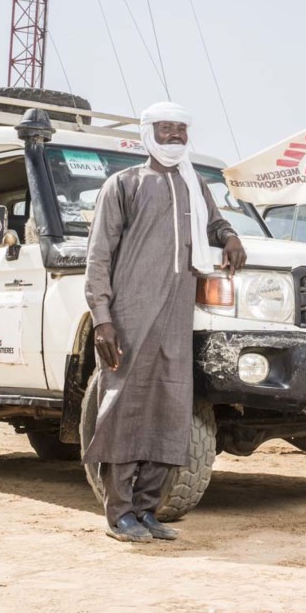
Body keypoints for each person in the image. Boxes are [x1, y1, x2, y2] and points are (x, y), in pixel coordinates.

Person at [84, 101, 246, 542]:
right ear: (148, 132)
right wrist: (102, 319)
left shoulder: (195, 185)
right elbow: (98, 257)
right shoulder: (125, 184)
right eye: (166, 128)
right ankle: (119, 513)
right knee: (125, 408)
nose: (175, 135)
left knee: (170, 409)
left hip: (177, 316)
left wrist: (229, 236)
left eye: (181, 129)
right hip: (130, 314)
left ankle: (147, 510)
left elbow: (215, 224)